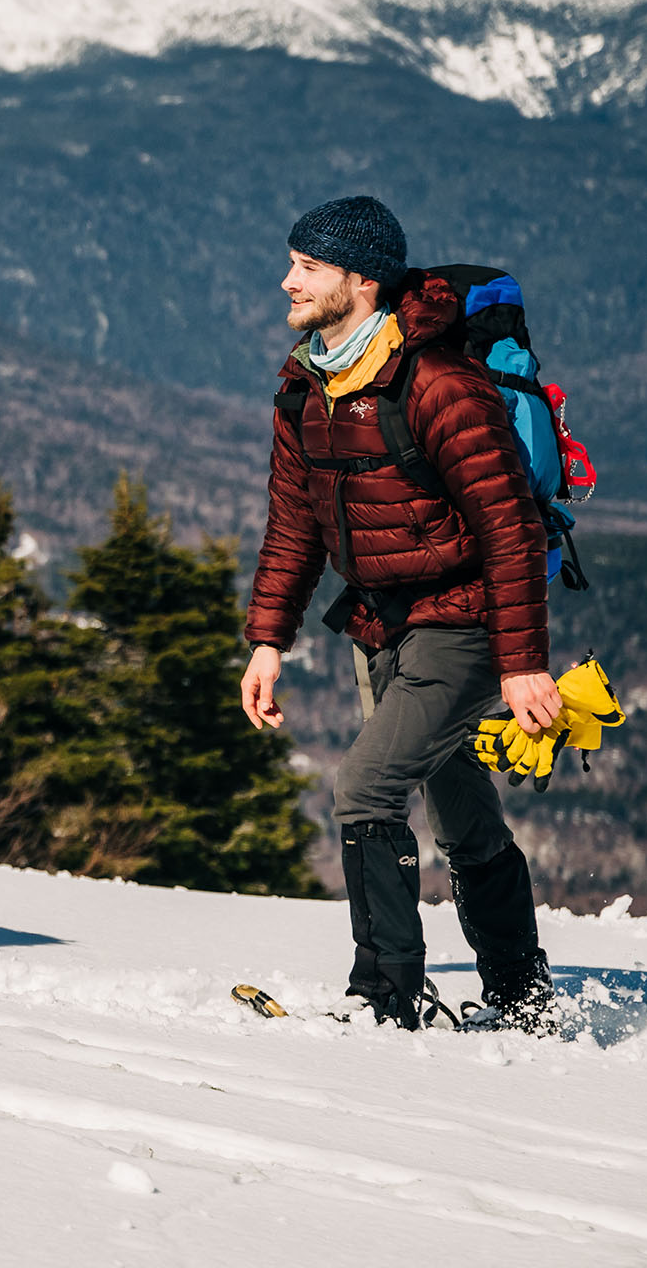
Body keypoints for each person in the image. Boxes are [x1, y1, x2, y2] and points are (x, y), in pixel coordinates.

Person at [239, 194, 562, 1030]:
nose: (287, 282)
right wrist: (267, 640)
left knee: (365, 788)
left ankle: (386, 999)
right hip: (381, 624)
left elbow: (510, 527)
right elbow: (293, 525)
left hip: (464, 624)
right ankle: (523, 999)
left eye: (308, 268)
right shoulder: (306, 386)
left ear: (362, 279)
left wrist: (523, 661)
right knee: (460, 812)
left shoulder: (440, 384)